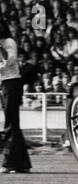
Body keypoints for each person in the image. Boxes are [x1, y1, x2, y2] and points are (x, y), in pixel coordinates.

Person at [0, 20, 31, 173]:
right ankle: (21, 164)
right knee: (14, 125)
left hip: (11, 82)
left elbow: (10, 61)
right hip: (5, 84)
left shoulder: (8, 42)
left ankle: (8, 162)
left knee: (10, 124)